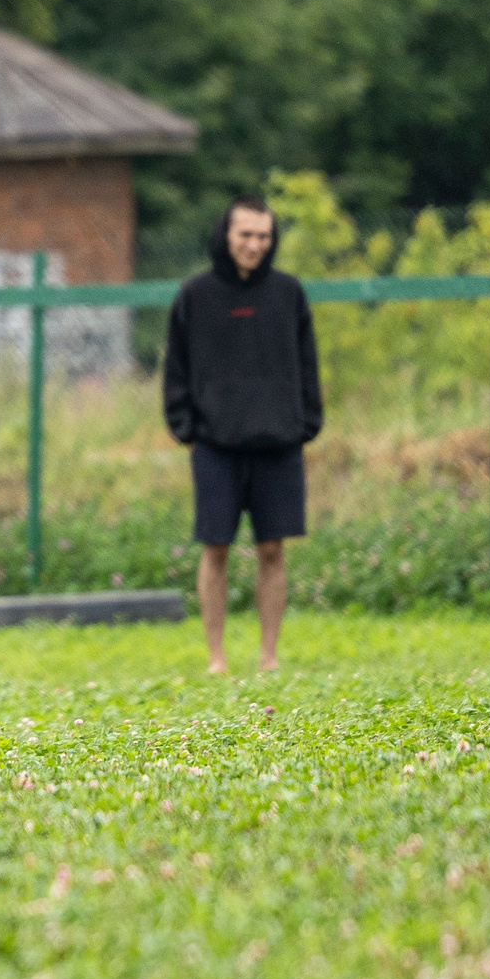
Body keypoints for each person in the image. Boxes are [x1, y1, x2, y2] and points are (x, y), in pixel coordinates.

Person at [162, 195, 323, 675]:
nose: (254, 245)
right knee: (216, 548)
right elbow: (175, 369)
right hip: (215, 446)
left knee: (272, 549)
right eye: (245, 235)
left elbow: (308, 363)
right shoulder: (195, 295)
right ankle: (216, 658)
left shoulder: (288, 294)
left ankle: (268, 657)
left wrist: (305, 422)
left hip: (279, 445)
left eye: (263, 236)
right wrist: (185, 428)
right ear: (226, 237)